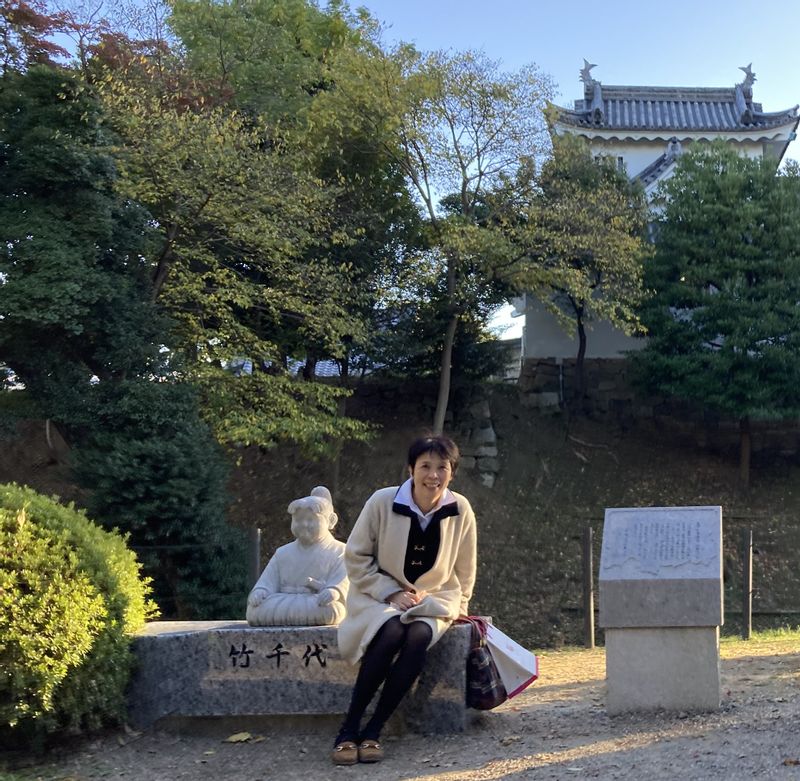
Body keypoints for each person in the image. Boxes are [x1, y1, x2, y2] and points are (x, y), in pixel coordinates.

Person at [332, 435, 477, 765]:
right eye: (425, 466)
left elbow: (466, 566)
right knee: (393, 630)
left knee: (419, 635)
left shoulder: (461, 509)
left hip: (435, 598)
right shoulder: (382, 502)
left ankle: (373, 730)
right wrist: (390, 592)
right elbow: (356, 557)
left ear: (452, 472)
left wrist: (463, 605)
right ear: (411, 469)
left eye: (442, 467)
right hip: (378, 594)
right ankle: (348, 728)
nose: (433, 475)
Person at [246, 486, 348, 627]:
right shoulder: (283, 553)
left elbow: (342, 582)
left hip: (316, 603)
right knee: (255, 610)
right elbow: (267, 582)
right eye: (298, 520)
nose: (303, 524)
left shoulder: (341, 551)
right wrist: (260, 592)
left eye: (310, 519)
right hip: (283, 602)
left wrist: (333, 590)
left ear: (331, 521)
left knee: (332, 610)